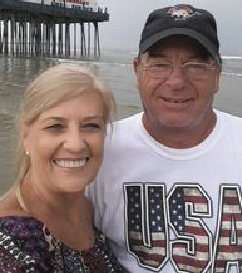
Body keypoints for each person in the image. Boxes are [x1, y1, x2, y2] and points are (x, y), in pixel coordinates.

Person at [87, 4, 242, 273]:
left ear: (217, 75)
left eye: (196, 66)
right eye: (159, 65)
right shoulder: (100, 151)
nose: (177, 81)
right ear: (137, 71)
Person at [0, 64, 129, 273]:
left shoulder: (87, 209)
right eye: (55, 126)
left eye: (91, 125)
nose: (76, 144)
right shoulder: (6, 248)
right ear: (26, 135)